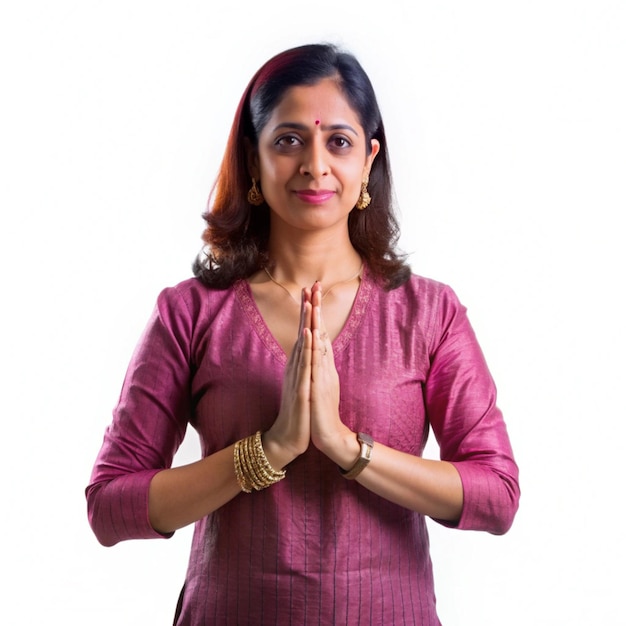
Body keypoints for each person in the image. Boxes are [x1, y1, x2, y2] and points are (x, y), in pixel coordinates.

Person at [86, 42, 520, 625]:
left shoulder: (428, 313)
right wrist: (266, 452)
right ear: (253, 159)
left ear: (368, 161)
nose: (315, 164)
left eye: (337, 141)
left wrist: (347, 448)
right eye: (289, 139)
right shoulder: (189, 314)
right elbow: (111, 506)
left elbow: (496, 495)